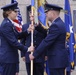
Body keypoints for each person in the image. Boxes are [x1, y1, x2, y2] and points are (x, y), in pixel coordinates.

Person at [29, 4, 69, 75]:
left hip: (56, 61)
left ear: (52, 13)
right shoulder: (58, 23)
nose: (45, 14)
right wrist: (37, 26)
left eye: (47, 12)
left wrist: (35, 54)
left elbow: (46, 41)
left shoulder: (56, 25)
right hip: (57, 60)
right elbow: (47, 33)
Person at [0, 2, 31, 75]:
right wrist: (27, 49)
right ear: (8, 12)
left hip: (11, 58)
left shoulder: (10, 23)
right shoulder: (6, 24)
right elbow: (13, 41)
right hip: (8, 59)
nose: (17, 13)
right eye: (15, 11)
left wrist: (27, 31)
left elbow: (17, 35)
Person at [20, 5, 47, 75]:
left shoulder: (42, 26)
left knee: (39, 72)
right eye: (31, 14)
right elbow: (22, 40)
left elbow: (46, 38)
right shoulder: (25, 26)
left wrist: (46, 54)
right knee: (30, 72)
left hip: (40, 55)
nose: (32, 16)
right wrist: (23, 54)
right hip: (28, 54)